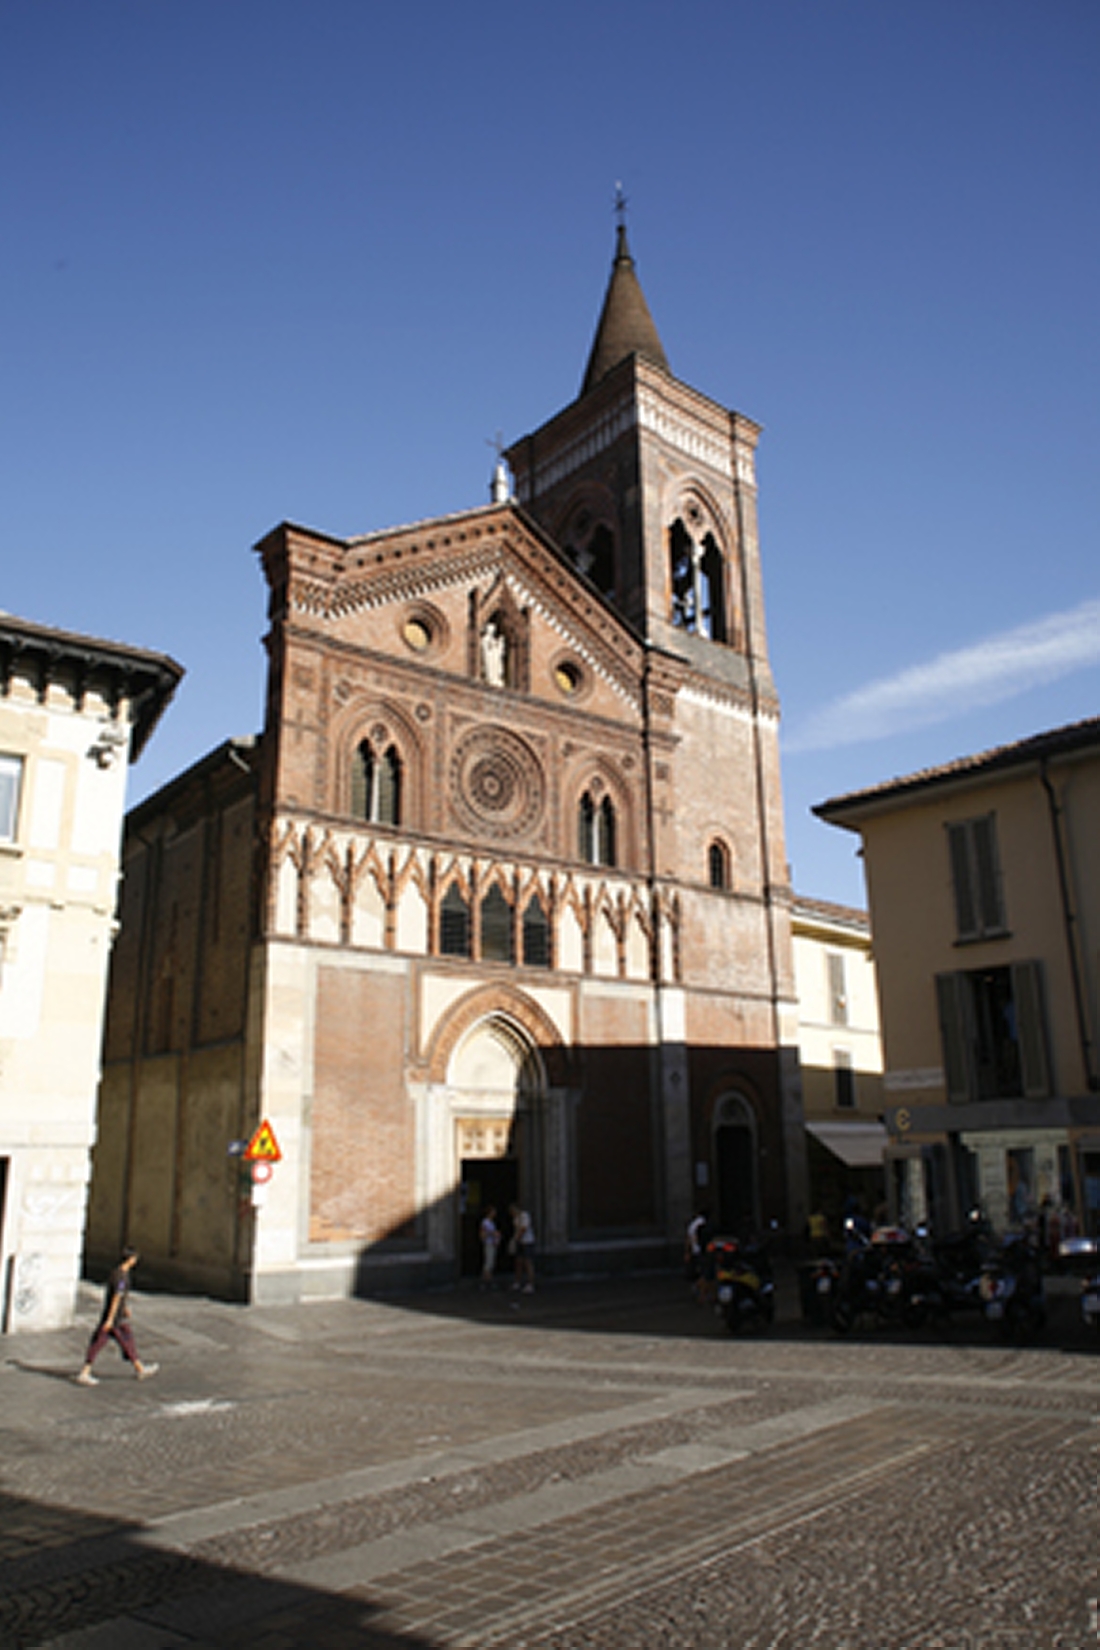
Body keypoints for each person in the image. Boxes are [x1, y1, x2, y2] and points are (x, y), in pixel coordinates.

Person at [75, 1248, 158, 1385]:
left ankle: (139, 1368)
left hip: (115, 1316)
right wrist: (110, 1319)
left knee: (109, 1342)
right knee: (117, 1341)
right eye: (135, 1258)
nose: (136, 1261)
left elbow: (118, 1297)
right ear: (130, 1259)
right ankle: (85, 1373)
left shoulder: (116, 1273)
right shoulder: (121, 1277)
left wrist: (124, 1309)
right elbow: (116, 1297)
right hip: (115, 1319)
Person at [510, 1204, 536, 1293]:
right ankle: (517, 1282)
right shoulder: (516, 1218)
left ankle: (530, 1283)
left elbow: (523, 1228)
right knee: (518, 1262)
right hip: (520, 1242)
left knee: (528, 1262)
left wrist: (517, 1237)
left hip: (527, 1241)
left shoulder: (524, 1216)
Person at [479, 1204, 500, 1288]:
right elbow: (482, 1234)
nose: (495, 1213)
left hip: (492, 1243)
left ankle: (487, 1281)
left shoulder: (491, 1222)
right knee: (488, 1263)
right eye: (493, 1212)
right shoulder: (485, 1222)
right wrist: (492, 1233)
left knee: (491, 1263)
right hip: (488, 1243)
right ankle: (486, 1282)